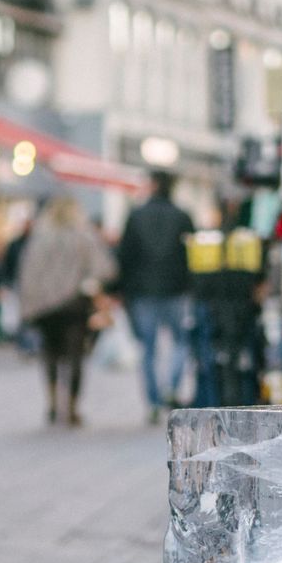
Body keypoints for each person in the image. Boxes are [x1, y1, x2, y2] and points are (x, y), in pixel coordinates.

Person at [19, 196, 115, 427]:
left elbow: (27, 275)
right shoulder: (83, 236)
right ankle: (71, 408)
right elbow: (105, 269)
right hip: (74, 305)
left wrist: (29, 306)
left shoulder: (39, 240)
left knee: (50, 354)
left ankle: (52, 403)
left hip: (44, 308)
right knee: (75, 357)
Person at [117, 170, 196, 424]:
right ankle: (171, 386)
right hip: (176, 289)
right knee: (180, 341)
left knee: (148, 348)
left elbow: (125, 256)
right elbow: (191, 255)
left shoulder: (136, 216)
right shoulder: (182, 217)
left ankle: (152, 401)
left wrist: (122, 289)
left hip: (143, 292)